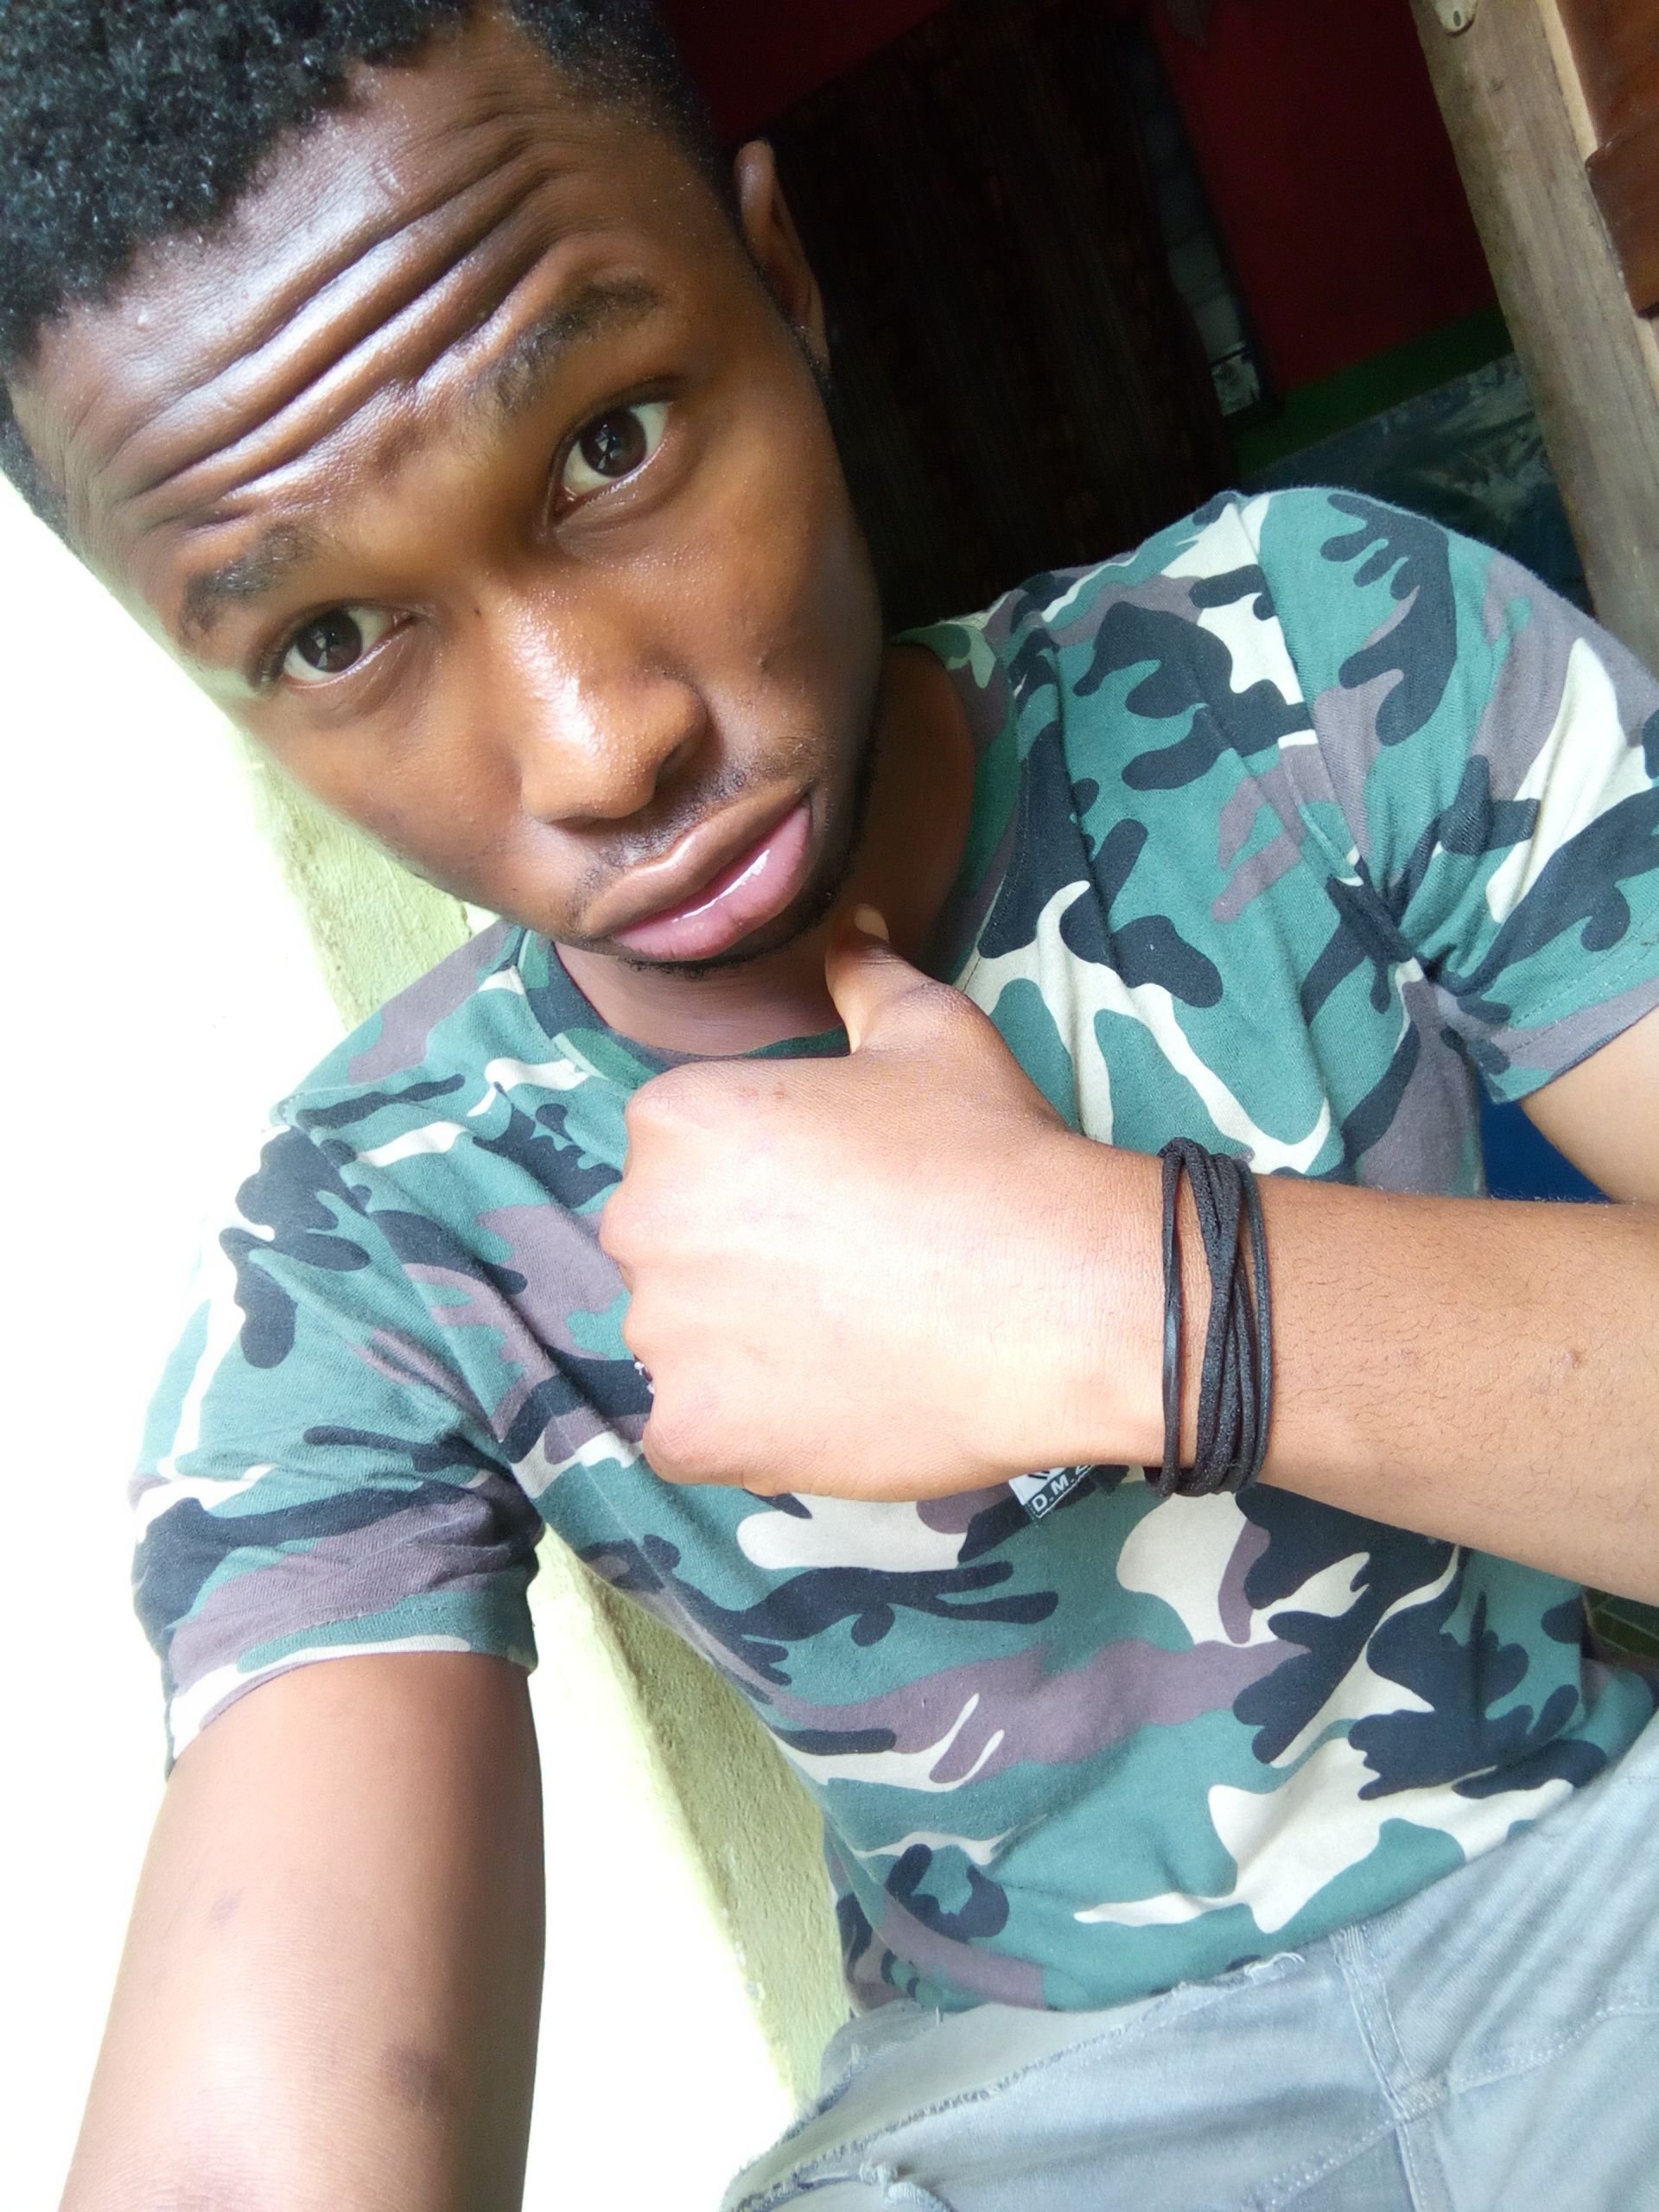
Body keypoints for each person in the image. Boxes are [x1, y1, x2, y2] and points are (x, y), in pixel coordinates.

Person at [5, 3, 1657, 2207]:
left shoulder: (1317, 656)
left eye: (609, 442)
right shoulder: (375, 1244)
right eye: (328, 638)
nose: (601, 742)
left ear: (780, 279)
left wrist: (1111, 1288)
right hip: (1040, 2116)